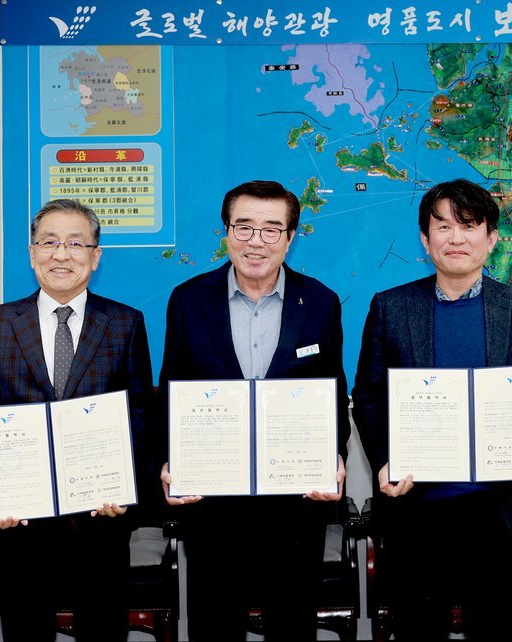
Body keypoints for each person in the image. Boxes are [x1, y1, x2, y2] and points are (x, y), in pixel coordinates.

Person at [351, 178, 512, 640]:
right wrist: (384, 462)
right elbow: (368, 395)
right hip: (415, 510)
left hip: (498, 513)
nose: (456, 238)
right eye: (443, 226)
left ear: (491, 238)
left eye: (469, 226)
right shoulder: (391, 308)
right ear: (425, 239)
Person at [157, 180, 349, 641]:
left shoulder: (320, 302)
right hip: (212, 500)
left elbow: (333, 391)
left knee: (292, 624)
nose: (255, 242)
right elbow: (170, 389)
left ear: (290, 237)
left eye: (271, 229)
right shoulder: (188, 300)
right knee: (213, 624)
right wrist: (168, 462)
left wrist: (335, 458)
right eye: (243, 227)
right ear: (227, 232)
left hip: (294, 502)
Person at [0, 198, 153, 641]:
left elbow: (140, 414)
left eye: (75, 243)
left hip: (100, 517)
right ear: (32, 254)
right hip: (20, 520)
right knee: (25, 631)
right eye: (49, 242)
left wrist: (125, 490)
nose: (61, 254)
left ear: (95, 256)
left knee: (104, 631)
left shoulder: (124, 323)